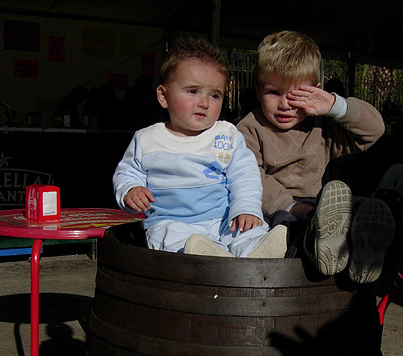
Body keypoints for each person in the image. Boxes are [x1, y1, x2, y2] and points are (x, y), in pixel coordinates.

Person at [237, 30, 395, 282]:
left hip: (324, 206)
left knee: (355, 210)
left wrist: (335, 105)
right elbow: (250, 177)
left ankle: (359, 256)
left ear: (315, 91)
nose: (285, 104)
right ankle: (320, 247)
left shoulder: (321, 126)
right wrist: (293, 207)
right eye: (273, 92)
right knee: (288, 229)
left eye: (297, 95)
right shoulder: (249, 128)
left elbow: (374, 130)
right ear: (257, 89)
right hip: (275, 208)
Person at [113, 36, 287, 258]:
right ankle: (206, 260)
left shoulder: (227, 135)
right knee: (171, 238)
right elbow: (127, 173)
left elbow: (245, 177)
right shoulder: (147, 139)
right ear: (164, 96)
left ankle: (256, 250)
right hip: (171, 220)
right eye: (193, 91)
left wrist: (246, 209)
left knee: (245, 231)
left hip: (224, 218)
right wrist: (131, 190)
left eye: (214, 95)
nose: (204, 103)